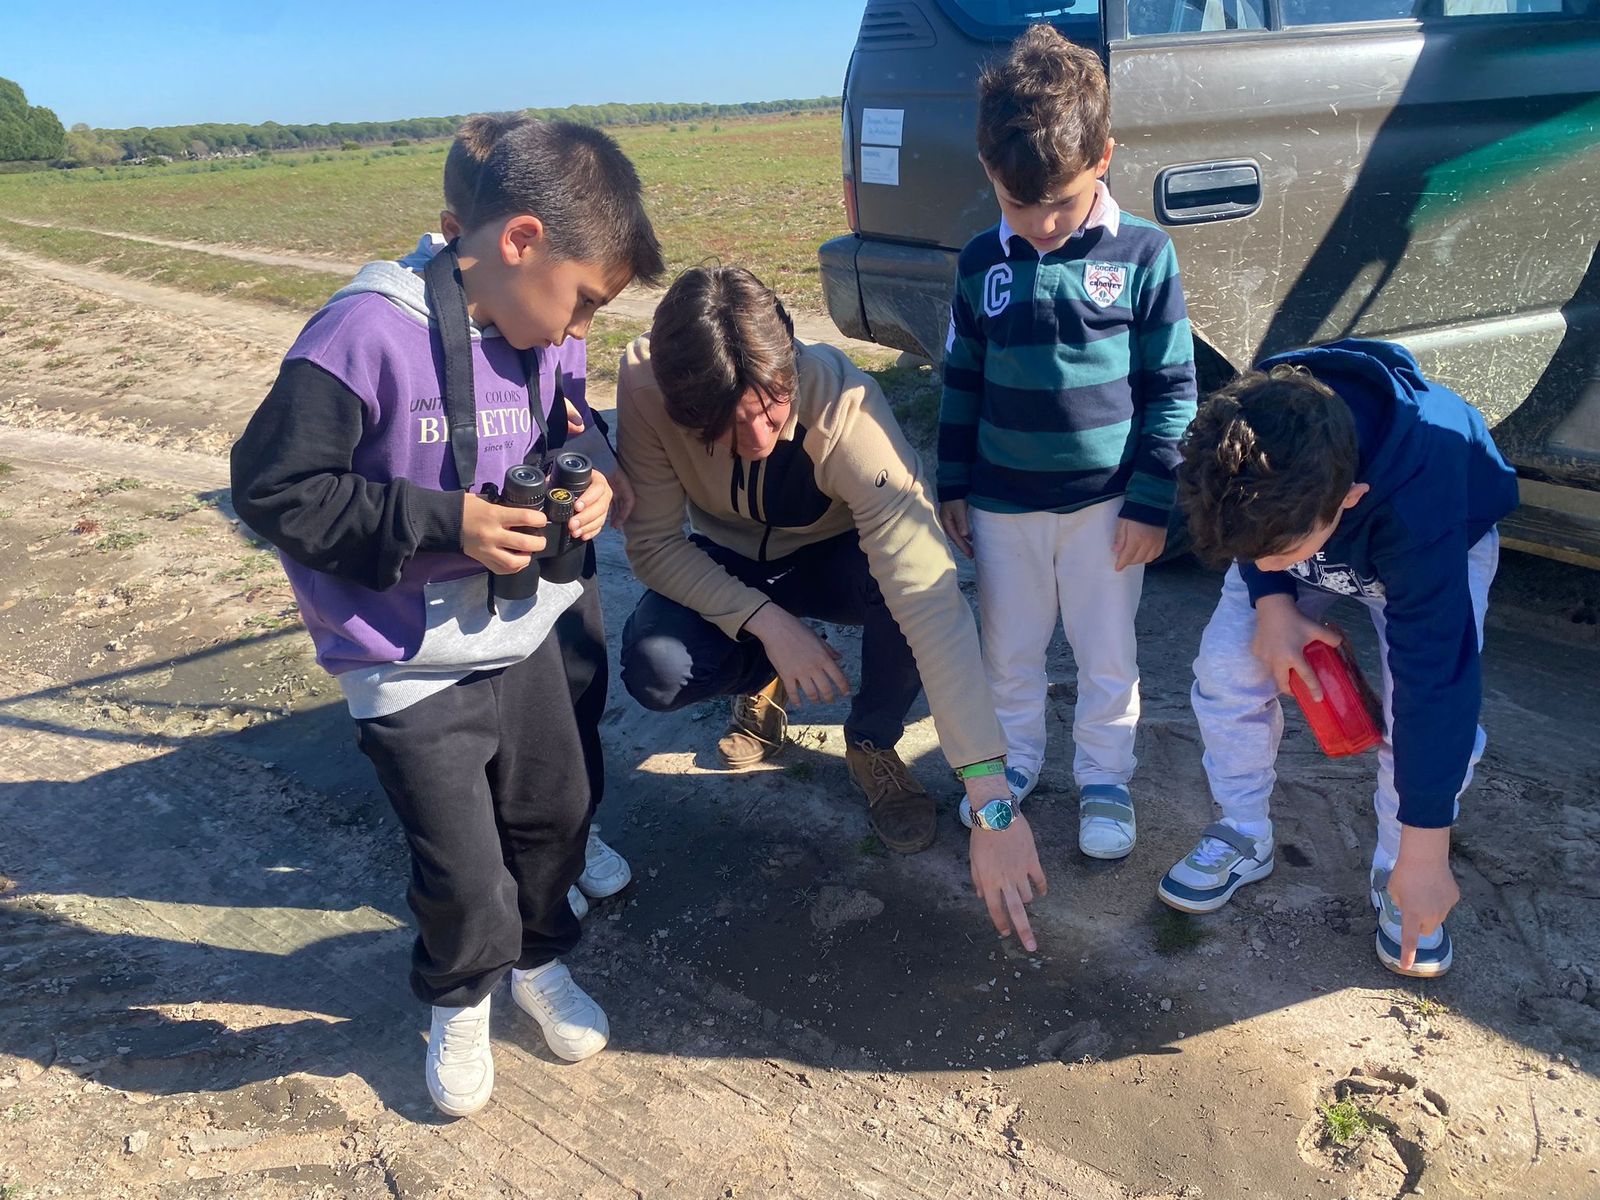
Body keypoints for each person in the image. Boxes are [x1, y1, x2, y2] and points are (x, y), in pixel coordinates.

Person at [229, 118, 664, 1117]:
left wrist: (594, 473)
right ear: (519, 242)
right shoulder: (364, 331)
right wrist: (444, 524)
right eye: (582, 301)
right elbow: (272, 490)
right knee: (463, 870)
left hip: (527, 638)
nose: (575, 332)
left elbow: (568, 427)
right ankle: (462, 997)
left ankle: (539, 965)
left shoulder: (537, 326)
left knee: (554, 823)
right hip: (407, 662)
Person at [615, 265, 1048, 947]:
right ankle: (761, 675)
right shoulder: (644, 386)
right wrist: (767, 624)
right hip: (730, 560)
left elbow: (929, 593)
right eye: (730, 423)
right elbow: (654, 546)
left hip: (836, 560)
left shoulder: (847, 405)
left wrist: (990, 797)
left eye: (773, 407)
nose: (758, 438)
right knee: (658, 669)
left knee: (905, 599)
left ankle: (872, 741)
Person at [1160, 339, 1518, 978]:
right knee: (1226, 665)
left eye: (1278, 556)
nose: (1265, 567)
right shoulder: (1248, 435)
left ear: (1348, 500)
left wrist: (1427, 851)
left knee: (1412, 713)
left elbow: (1437, 684)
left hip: (1433, 538)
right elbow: (1256, 537)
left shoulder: (1420, 501)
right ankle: (1243, 831)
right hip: (1296, 520)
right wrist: (1272, 600)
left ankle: (1398, 866)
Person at [937, 24, 1197, 859]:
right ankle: (1010, 771)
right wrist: (951, 486)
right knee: (1007, 653)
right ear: (989, 174)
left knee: (1106, 655)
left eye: (1062, 199)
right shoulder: (982, 262)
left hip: (1107, 509)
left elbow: (1172, 391)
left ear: (1105, 159)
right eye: (1020, 204)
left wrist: (1154, 504)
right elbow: (962, 380)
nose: (1043, 224)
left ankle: (1105, 778)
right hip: (1002, 503)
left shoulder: (1145, 255)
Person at [407, 114, 634, 918]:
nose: (575, 329)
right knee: (488, 719)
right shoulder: (427, 327)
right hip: (471, 565)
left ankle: (573, 835)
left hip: (556, 545)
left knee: (577, 683)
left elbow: (573, 404)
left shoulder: (552, 311)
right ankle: (514, 860)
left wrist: (601, 464)